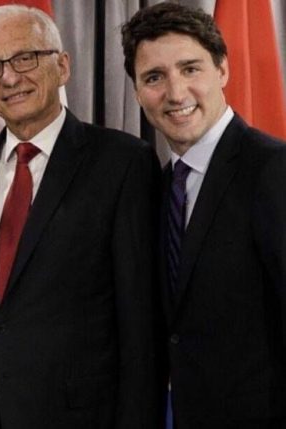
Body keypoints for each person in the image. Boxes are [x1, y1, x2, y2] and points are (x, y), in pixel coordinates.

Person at [0, 4, 163, 429]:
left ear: (62, 66)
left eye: (25, 58)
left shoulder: (122, 163)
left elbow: (140, 323)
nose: (9, 78)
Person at [122, 3, 286, 428]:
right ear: (137, 92)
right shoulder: (158, 187)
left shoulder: (273, 170)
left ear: (223, 70)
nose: (175, 93)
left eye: (190, 69)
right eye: (154, 77)